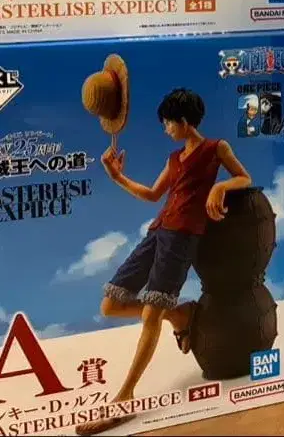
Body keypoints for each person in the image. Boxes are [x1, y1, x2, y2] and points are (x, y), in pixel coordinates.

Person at [77, 89, 252, 436]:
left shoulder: (216, 148)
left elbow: (244, 177)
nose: (165, 129)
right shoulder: (174, 158)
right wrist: (117, 177)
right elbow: (153, 194)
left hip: (182, 237)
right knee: (110, 304)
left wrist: (219, 188)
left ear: (184, 122)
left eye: (168, 123)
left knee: (149, 315)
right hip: (158, 232)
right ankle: (178, 314)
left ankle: (125, 398)